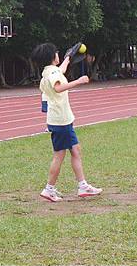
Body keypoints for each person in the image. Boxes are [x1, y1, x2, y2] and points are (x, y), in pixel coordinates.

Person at [31, 43, 102, 202]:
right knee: (60, 156)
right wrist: (79, 81)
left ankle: (82, 185)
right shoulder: (53, 74)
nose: (58, 54)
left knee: (75, 150)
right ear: (51, 57)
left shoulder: (47, 72)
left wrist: (68, 58)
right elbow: (58, 87)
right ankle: (49, 189)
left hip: (60, 120)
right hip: (61, 121)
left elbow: (61, 70)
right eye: (56, 53)